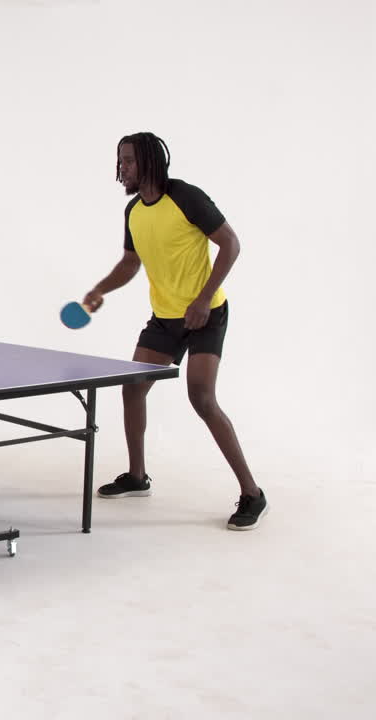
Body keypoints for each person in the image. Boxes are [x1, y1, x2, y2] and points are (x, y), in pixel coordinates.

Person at [84, 132, 266, 530]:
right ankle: (137, 477)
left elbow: (230, 245)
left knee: (201, 397)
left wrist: (203, 299)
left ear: (149, 162)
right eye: (120, 161)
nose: (121, 169)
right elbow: (130, 264)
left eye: (128, 161)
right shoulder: (134, 211)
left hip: (206, 314)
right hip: (165, 318)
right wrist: (100, 289)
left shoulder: (186, 197)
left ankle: (252, 493)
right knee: (132, 387)